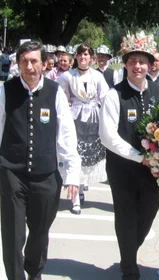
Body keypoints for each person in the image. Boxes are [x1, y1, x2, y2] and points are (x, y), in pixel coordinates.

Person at [0, 41, 81, 280]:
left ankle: (34, 273)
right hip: (12, 173)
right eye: (24, 61)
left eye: (34, 61)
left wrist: (72, 175)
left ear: (44, 63)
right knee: (13, 234)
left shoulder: (55, 92)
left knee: (40, 231)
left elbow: (67, 135)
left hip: (46, 176)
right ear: (18, 64)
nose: (29, 66)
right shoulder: (7, 90)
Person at [99, 31, 159, 280]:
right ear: (125, 64)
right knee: (126, 216)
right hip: (122, 170)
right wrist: (139, 156)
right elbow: (107, 136)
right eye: (132, 61)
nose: (137, 66)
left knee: (149, 211)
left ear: (150, 64)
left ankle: (128, 252)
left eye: (142, 61)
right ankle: (129, 267)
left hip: (152, 170)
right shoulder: (114, 95)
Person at [56, 44, 109, 214]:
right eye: (80, 54)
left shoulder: (98, 77)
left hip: (93, 120)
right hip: (74, 119)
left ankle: (81, 185)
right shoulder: (67, 76)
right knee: (74, 154)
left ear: (92, 58)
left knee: (87, 157)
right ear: (76, 57)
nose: (83, 57)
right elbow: (61, 99)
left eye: (86, 54)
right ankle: (75, 197)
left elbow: (105, 97)